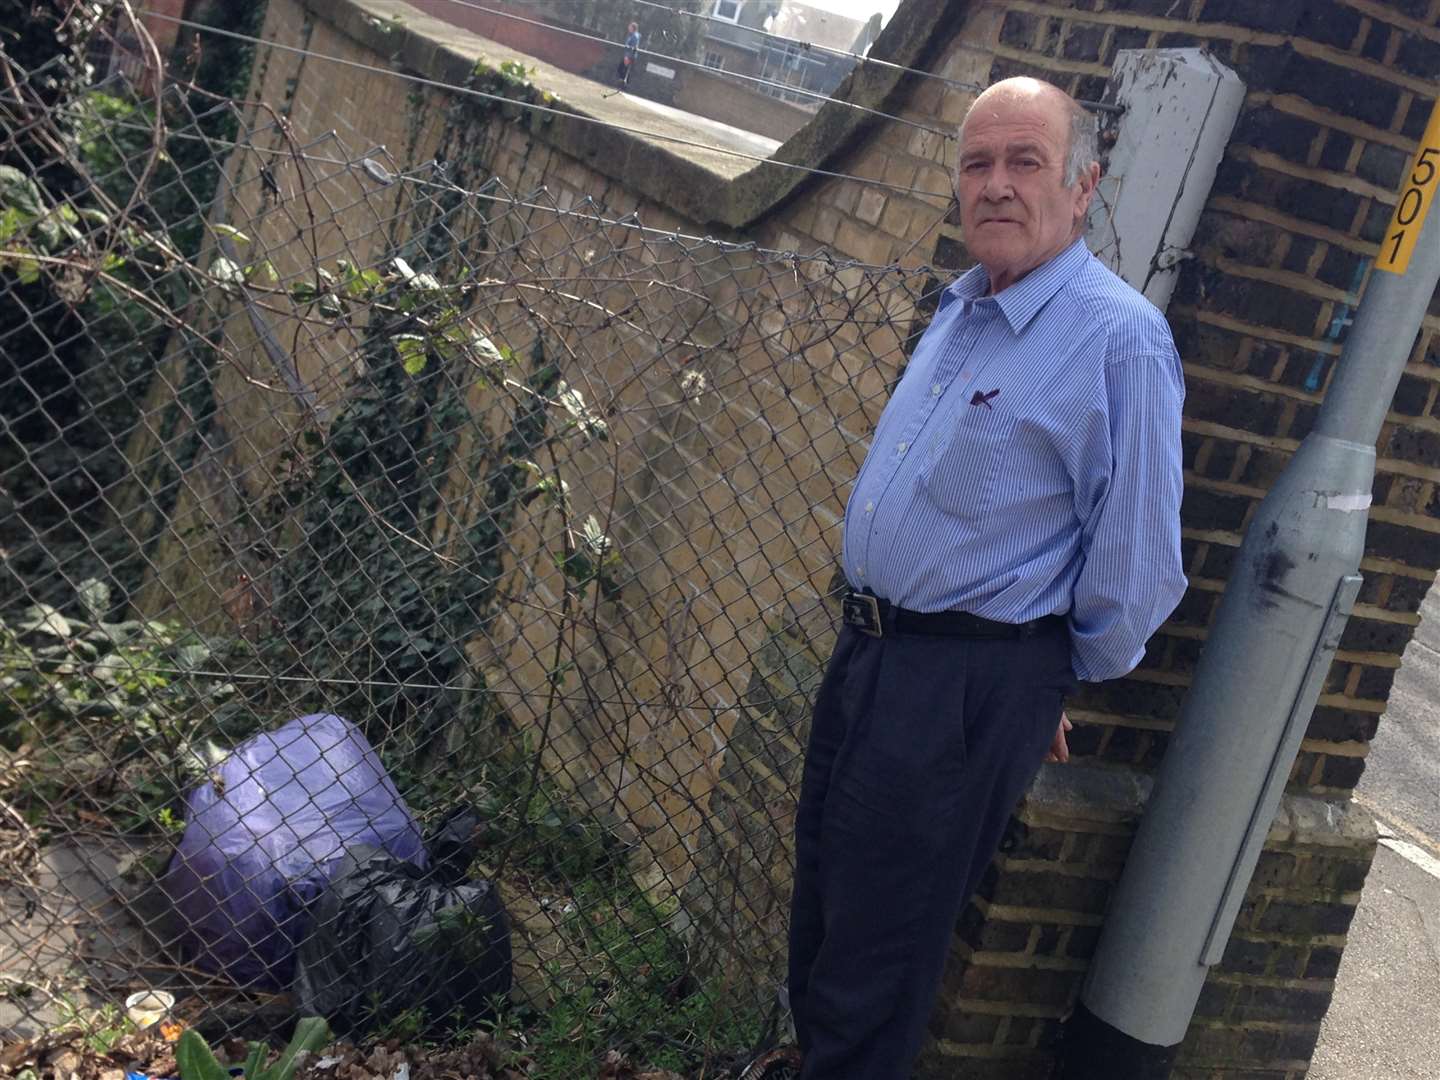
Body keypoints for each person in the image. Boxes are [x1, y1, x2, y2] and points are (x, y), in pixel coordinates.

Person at [783, 76, 1187, 1079]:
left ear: (1084, 184)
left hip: (958, 688)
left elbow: (1136, 565)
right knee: (824, 911)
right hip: (872, 653)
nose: (996, 186)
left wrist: (1035, 673)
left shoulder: (1118, 340)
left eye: (1025, 162)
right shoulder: (962, 309)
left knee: (875, 958)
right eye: (977, 164)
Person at [617, 21, 641, 87]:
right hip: (628, 55)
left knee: (623, 69)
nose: (628, 28)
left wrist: (627, 56)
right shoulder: (632, 35)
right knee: (623, 69)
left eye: (630, 26)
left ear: (633, 28)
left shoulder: (635, 36)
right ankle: (623, 83)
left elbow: (633, 47)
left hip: (630, 56)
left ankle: (624, 84)